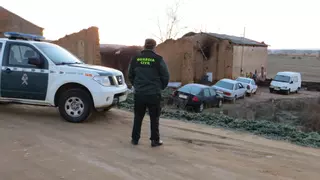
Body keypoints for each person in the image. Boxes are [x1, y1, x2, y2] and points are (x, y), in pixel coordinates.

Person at [128, 38, 170, 147]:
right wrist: (160, 87)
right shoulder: (158, 59)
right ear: (154, 47)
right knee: (154, 118)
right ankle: (154, 141)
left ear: (144, 46)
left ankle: (135, 139)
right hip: (153, 94)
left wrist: (136, 85)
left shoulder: (136, 59)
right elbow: (165, 76)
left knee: (138, 117)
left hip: (140, 94)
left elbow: (130, 75)